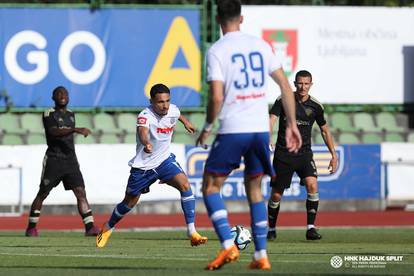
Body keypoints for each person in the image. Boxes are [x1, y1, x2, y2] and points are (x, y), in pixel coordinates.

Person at [195, 0, 302, 271]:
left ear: (218, 19)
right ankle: (261, 255)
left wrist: (208, 127)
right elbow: (285, 86)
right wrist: (291, 125)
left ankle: (228, 247)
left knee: (210, 186)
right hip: (258, 131)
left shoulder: (217, 50)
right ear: (241, 19)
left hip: (233, 128)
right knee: (255, 191)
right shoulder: (261, 46)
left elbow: (217, 96)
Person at [96, 83, 208, 248]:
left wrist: (186, 122)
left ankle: (192, 231)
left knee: (185, 185)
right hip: (143, 167)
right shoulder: (145, 115)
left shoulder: (173, 109)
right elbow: (142, 131)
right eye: (160, 102)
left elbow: (177, 113)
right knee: (129, 202)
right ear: (152, 101)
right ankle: (108, 226)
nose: (165, 105)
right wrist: (146, 142)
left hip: (164, 161)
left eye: (167, 101)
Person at [267, 70, 338, 241]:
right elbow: (271, 119)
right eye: (300, 83)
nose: (303, 86)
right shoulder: (283, 99)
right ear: (295, 83)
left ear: (311, 85)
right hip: (283, 154)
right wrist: (267, 137)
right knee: (277, 194)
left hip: (304, 154)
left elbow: (325, 130)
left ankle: (310, 228)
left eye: (306, 83)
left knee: (312, 185)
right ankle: (271, 228)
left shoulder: (316, 106)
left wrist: (333, 155)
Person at [25, 86, 100, 237]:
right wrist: (74, 130)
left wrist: (74, 132)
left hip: (70, 161)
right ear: (53, 97)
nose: (62, 95)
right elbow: (53, 132)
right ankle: (31, 227)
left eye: (65, 93)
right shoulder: (48, 114)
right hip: (54, 159)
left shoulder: (71, 114)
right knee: (43, 193)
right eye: (58, 93)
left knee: (80, 192)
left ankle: (90, 227)